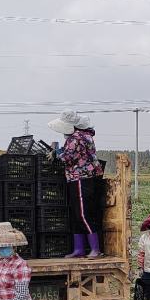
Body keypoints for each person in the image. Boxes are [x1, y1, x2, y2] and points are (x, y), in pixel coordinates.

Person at [48, 110, 104, 258]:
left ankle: (95, 249)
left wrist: (57, 153)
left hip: (81, 178)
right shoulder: (84, 135)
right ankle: (78, 249)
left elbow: (67, 158)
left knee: (83, 214)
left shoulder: (77, 138)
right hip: (77, 178)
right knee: (76, 214)